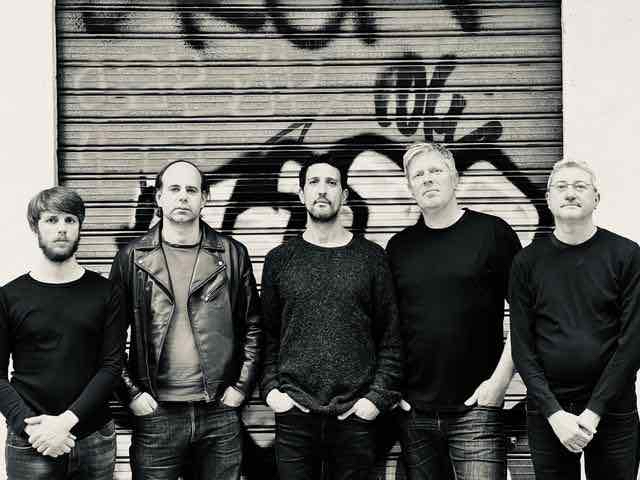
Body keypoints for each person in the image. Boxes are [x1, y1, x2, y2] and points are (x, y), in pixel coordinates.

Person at [109, 160, 262, 480]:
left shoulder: (232, 253)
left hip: (219, 410)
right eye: (174, 189)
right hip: (156, 414)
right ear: (159, 197)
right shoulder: (131, 258)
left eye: (191, 190)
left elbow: (253, 326)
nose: (182, 196)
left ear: (204, 198)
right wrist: (132, 394)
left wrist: (240, 387)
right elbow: (109, 337)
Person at [260, 153, 403, 480]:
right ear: (301, 195)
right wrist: (273, 393)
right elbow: (268, 335)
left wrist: (374, 401)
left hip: (356, 418)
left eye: (331, 183)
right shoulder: (279, 259)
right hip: (294, 416)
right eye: (313, 182)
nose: (322, 190)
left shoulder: (371, 258)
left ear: (344, 194)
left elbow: (391, 339)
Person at [386, 142, 522, 479]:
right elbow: (388, 327)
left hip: (476, 409)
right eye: (418, 175)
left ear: (455, 178)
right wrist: (393, 391)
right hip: (414, 413)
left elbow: (526, 313)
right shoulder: (399, 247)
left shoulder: (492, 233)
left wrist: (499, 383)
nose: (427, 179)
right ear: (409, 187)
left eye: (436, 171)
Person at [510, 158, 640, 479]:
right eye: (562, 187)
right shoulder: (527, 262)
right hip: (548, 411)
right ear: (548, 199)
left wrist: (595, 411)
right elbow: (522, 348)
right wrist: (553, 413)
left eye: (580, 186)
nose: (570, 193)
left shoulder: (626, 255)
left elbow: (633, 342)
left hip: (613, 409)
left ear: (596, 198)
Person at [0, 186, 125, 480]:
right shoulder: (9, 296)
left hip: (94, 437)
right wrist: (33, 429)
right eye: (51, 220)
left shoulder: (107, 292)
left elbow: (111, 366)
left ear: (80, 227)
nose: (62, 229)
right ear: (35, 227)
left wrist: (64, 423)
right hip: (30, 439)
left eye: (70, 220)